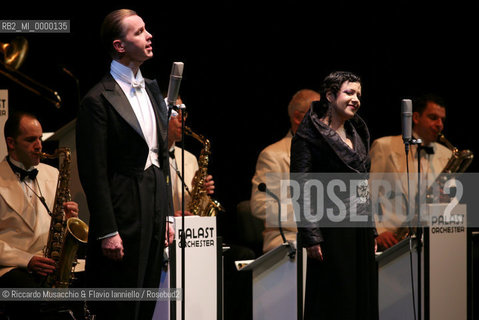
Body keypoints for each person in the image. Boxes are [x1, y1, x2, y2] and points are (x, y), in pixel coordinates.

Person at [75, 9, 174, 320]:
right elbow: (93, 171)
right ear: (119, 46)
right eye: (139, 32)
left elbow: (161, 156)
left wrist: (168, 214)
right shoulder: (97, 99)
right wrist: (106, 231)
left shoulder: (153, 90)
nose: (149, 36)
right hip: (124, 203)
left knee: (146, 298)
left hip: (154, 197)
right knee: (121, 303)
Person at [291, 71, 378, 319]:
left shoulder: (357, 133)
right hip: (330, 229)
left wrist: (371, 228)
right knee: (336, 297)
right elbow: (301, 186)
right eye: (349, 92)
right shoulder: (308, 136)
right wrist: (311, 234)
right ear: (330, 95)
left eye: (358, 94)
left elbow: (363, 186)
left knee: (361, 295)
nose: (356, 99)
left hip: (358, 227)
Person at [0, 111, 79, 317]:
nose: (39, 145)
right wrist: (27, 260)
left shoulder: (53, 174)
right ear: (11, 142)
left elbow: (61, 229)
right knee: (35, 299)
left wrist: (71, 219)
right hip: (12, 268)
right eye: (30, 140)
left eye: (40, 138)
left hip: (51, 265)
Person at [370, 93, 452, 251]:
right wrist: (377, 231)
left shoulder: (446, 155)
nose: (439, 124)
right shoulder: (384, 146)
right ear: (415, 117)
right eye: (433, 117)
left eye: (442, 120)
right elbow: (367, 195)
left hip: (432, 243)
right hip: (392, 242)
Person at [250, 89, 321, 253]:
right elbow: (261, 205)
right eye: (318, 115)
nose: (325, 121)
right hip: (288, 239)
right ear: (297, 117)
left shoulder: (332, 153)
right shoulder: (272, 155)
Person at [167, 98, 215, 215]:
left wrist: (202, 193)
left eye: (183, 113)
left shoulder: (190, 159)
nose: (181, 118)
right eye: (175, 111)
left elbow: (198, 210)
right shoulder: (147, 158)